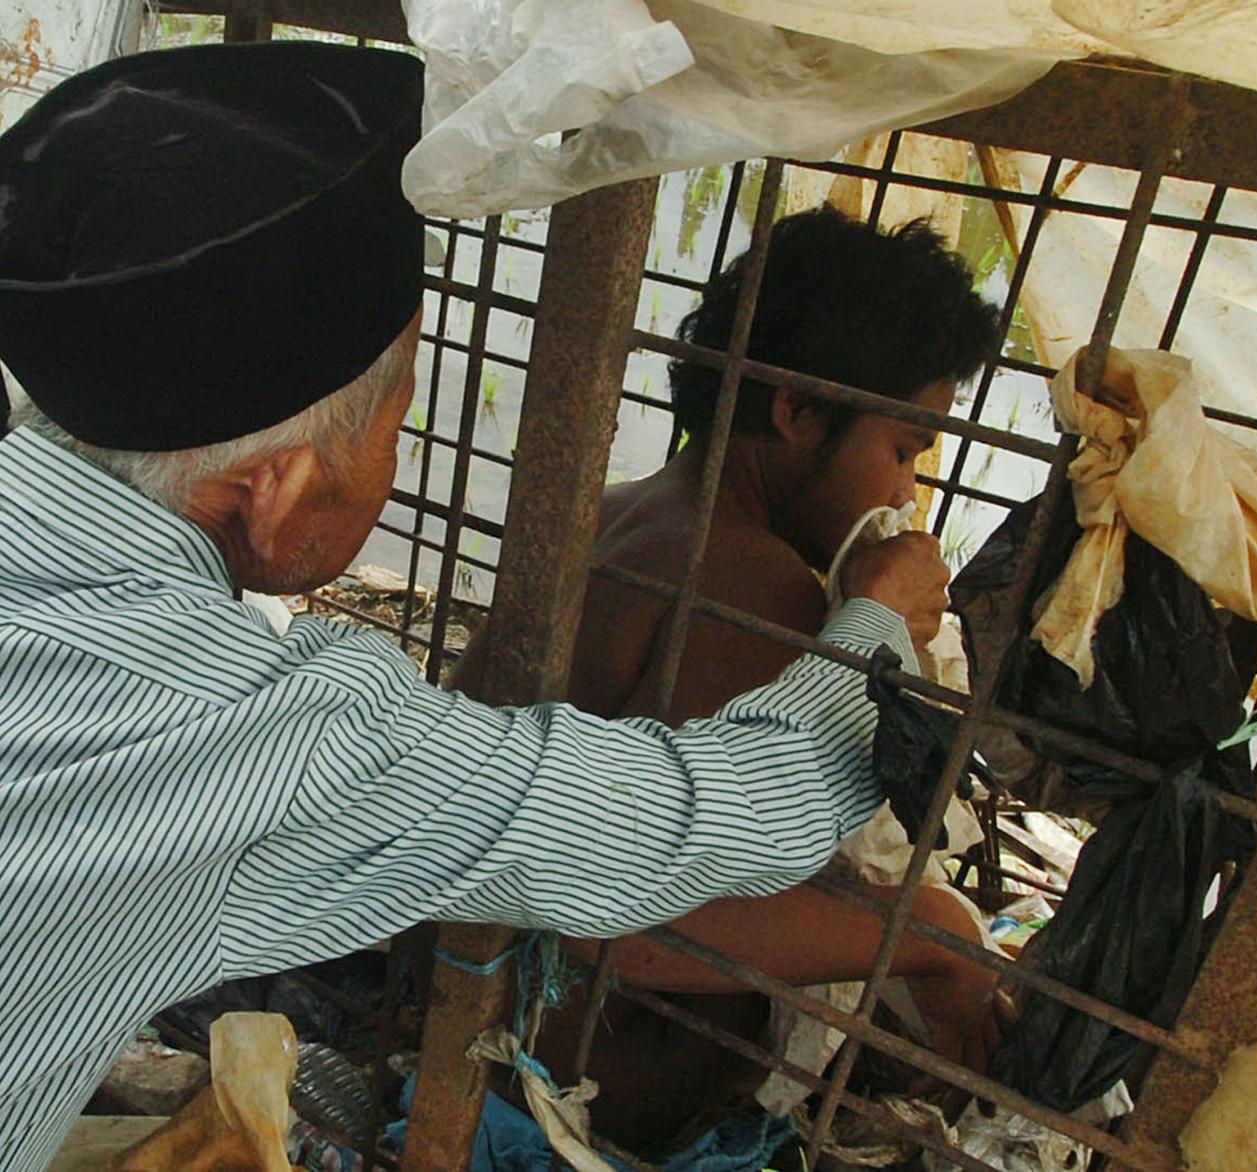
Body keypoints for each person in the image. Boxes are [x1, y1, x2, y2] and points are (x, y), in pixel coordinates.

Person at [0, 45, 950, 1170]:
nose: (400, 449)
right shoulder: (243, 736)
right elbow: (701, 822)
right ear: (273, 485)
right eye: (400, 413)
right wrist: (878, 624)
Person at [451, 207, 1006, 1148]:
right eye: (903, 449)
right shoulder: (750, 579)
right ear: (795, 413)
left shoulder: (619, 511)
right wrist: (925, 937)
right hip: (555, 1114)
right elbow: (614, 910)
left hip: (457, 1030)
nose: (908, 492)